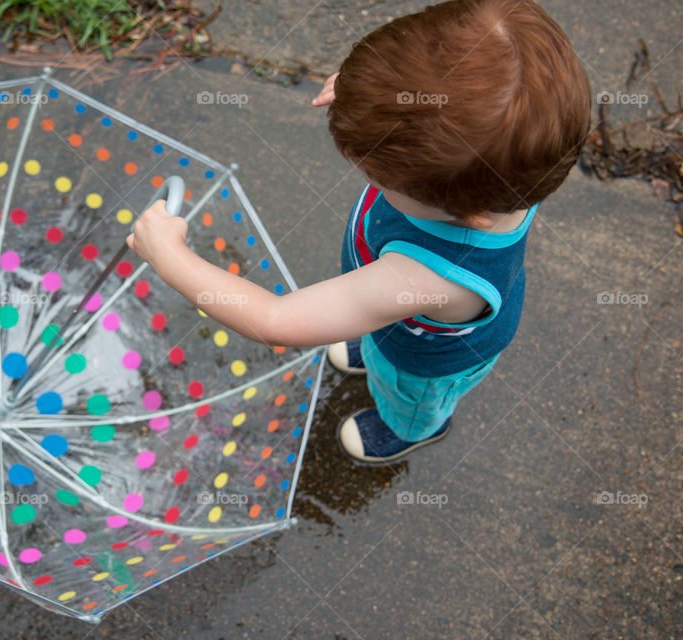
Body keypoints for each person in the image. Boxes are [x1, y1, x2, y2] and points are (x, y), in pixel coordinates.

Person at [126, 0, 591, 464]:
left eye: (381, 177)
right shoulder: (506, 171)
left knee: (405, 395)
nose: (371, 179)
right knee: (376, 319)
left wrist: (170, 257)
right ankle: (372, 335)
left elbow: (275, 321)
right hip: (391, 306)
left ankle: (409, 429)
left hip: (422, 363)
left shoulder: (426, 277)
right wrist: (374, 94)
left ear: (470, 214)